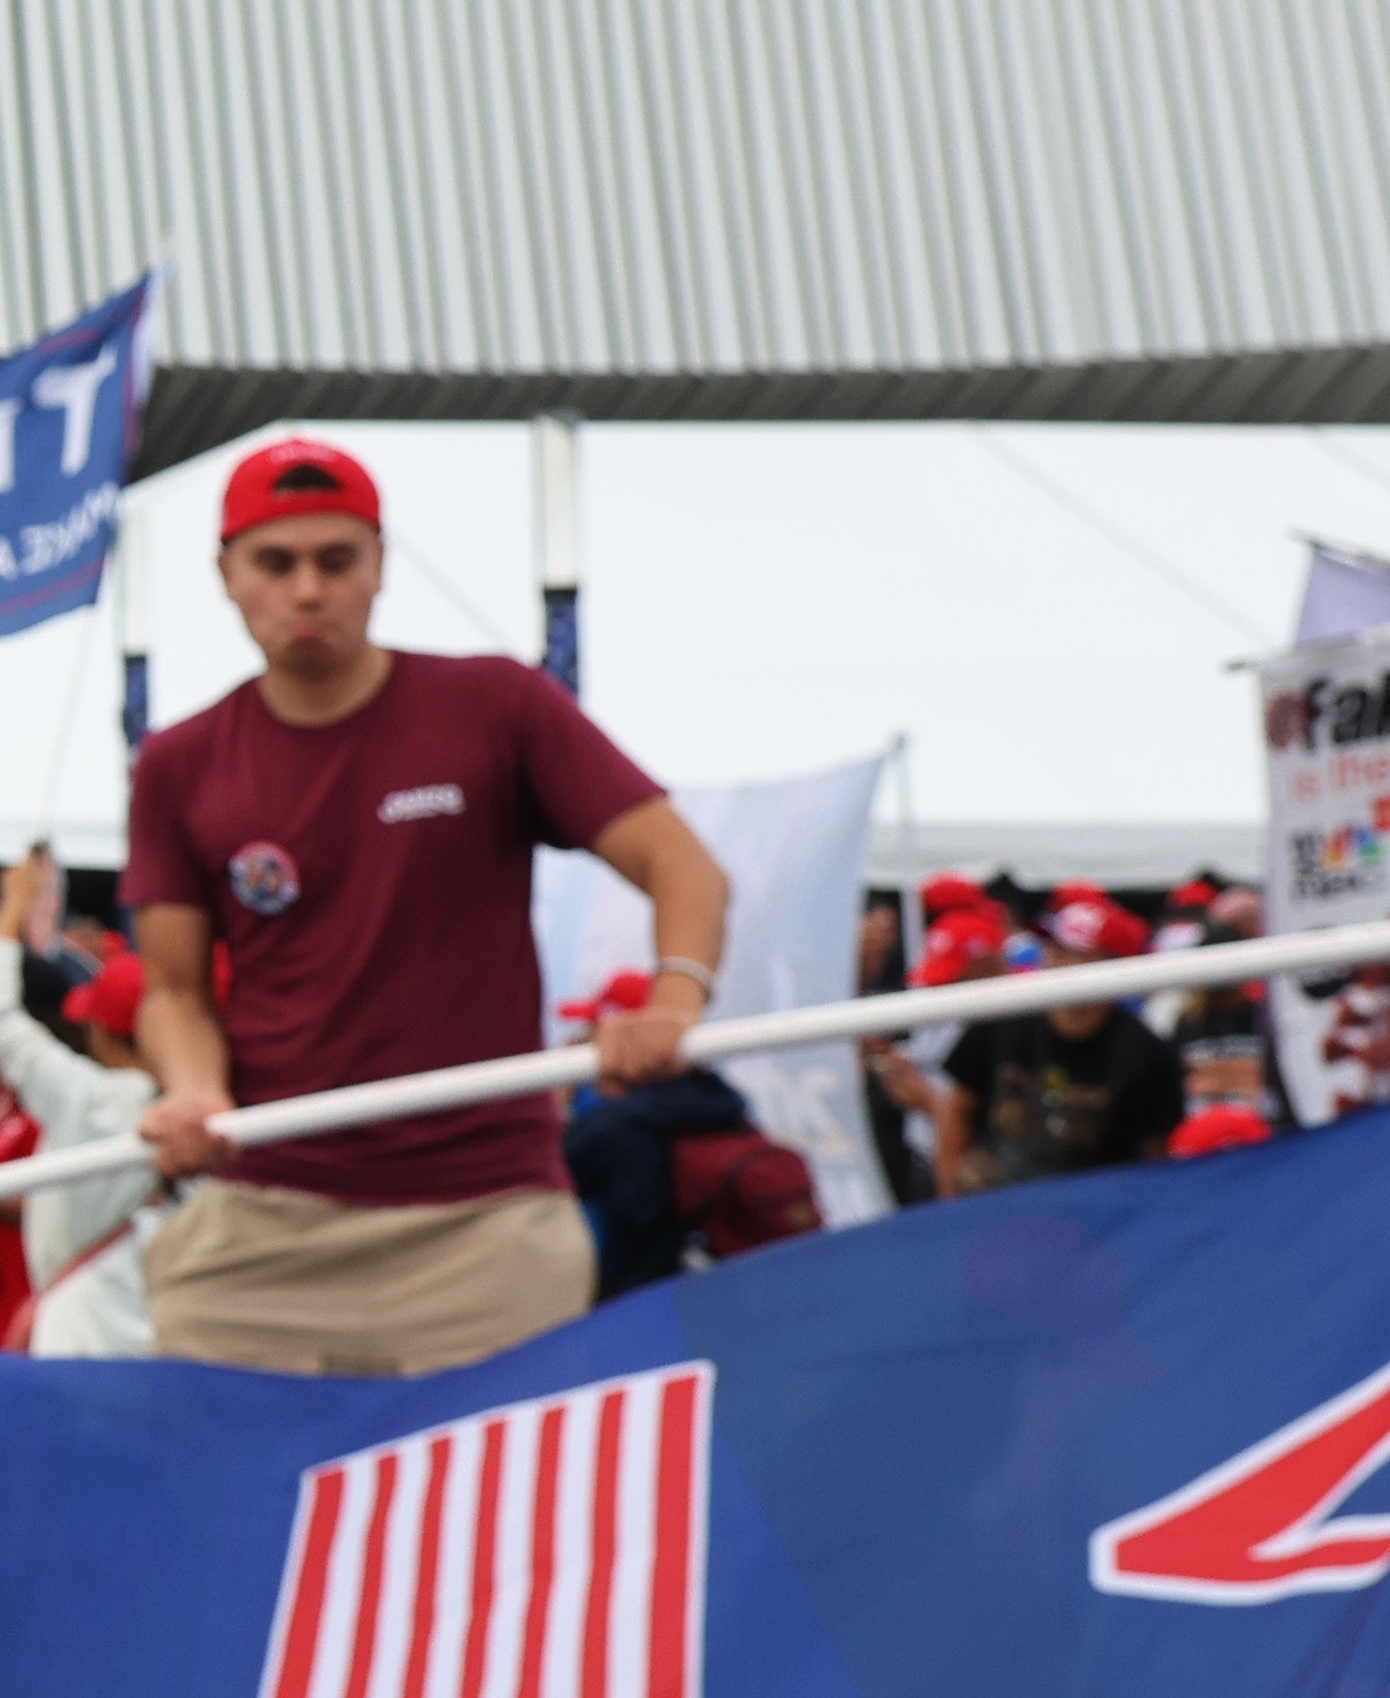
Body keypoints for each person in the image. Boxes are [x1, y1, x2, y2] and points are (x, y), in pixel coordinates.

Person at [126, 434, 730, 1379]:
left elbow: (681, 864)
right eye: (275, 563)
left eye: (336, 560)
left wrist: (673, 1003)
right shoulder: (178, 761)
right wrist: (193, 1090)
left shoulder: (493, 703)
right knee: (216, 1501)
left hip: (486, 1220)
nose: (308, 590)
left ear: (379, 566)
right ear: (227, 575)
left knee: (495, 1518)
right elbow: (174, 991)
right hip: (267, 1216)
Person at [0, 851, 165, 1356]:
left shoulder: (91, 1098)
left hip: (84, 1337)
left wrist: (13, 906)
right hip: (164, 1335)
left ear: (104, 1032)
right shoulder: (225, 1110)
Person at [878, 894, 1187, 1191]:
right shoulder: (1002, 1020)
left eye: (1074, 953)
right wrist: (952, 1206)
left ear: (1111, 965)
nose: (1056, 960)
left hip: (1092, 1212)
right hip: (998, 1203)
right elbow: (958, 1112)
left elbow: (1155, 1155)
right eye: (1053, 948)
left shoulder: (1144, 1052)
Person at [556, 973, 825, 1294]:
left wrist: (558, 1104)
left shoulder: (607, 1126)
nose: (576, 1042)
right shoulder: (714, 1100)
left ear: (624, 1036)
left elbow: (543, 1184)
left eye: (589, 1032)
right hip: (715, 1294)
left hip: (632, 1303)